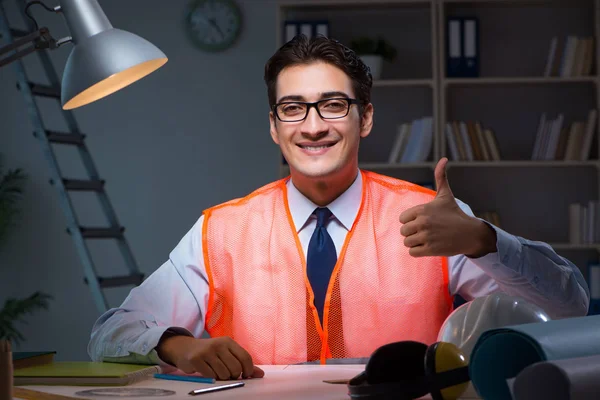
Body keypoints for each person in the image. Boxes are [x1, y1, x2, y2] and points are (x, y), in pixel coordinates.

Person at [87, 34, 590, 381]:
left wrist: (485, 240)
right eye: (293, 108)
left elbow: (569, 306)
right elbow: (109, 332)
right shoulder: (221, 229)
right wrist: (179, 345)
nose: (313, 126)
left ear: (365, 117)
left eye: (333, 105)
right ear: (274, 126)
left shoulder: (436, 220)